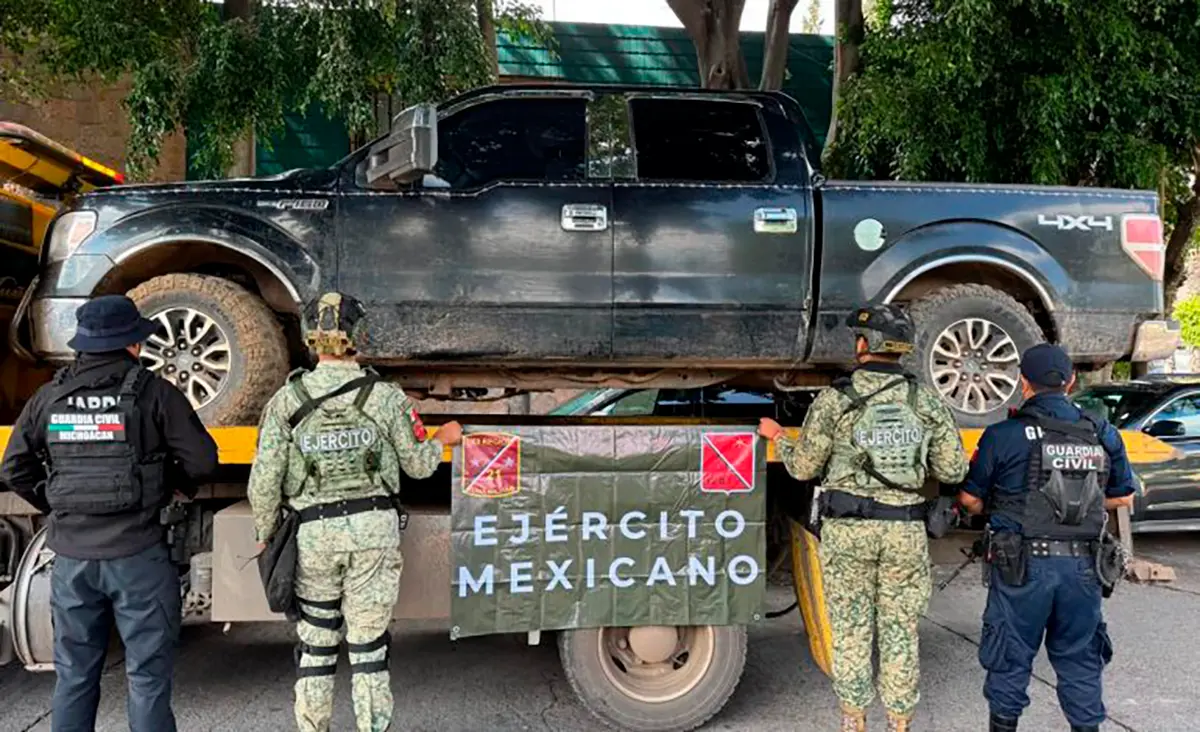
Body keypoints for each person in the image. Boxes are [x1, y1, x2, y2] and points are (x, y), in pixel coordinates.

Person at [0, 294, 218, 732]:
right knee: (148, 679)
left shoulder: (49, 398)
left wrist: (57, 504)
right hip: (139, 555)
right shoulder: (154, 393)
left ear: (82, 345)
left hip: (71, 560)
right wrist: (171, 482)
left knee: (74, 677)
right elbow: (203, 461)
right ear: (132, 344)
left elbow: (13, 469)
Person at [247, 291, 463, 732]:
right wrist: (444, 439)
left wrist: (267, 532)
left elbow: (264, 480)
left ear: (310, 339)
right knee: (369, 649)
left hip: (313, 536)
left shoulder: (286, 402)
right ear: (360, 336)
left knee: (316, 645)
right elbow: (419, 467)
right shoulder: (386, 398)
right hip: (373, 535)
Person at [759, 304, 968, 732]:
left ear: (864, 345)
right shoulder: (924, 400)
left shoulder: (836, 399)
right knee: (900, 629)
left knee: (851, 630)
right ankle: (900, 723)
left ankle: (854, 722)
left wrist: (778, 438)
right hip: (904, 530)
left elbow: (802, 468)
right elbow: (952, 471)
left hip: (848, 532)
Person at [957, 343, 1134, 732]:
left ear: (1024, 383)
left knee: (1009, 657)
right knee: (1080, 661)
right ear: (1071, 381)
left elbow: (970, 498)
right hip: (1084, 568)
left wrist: (1002, 505)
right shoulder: (1102, 433)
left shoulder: (1003, 434)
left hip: (1020, 567)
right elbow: (1122, 495)